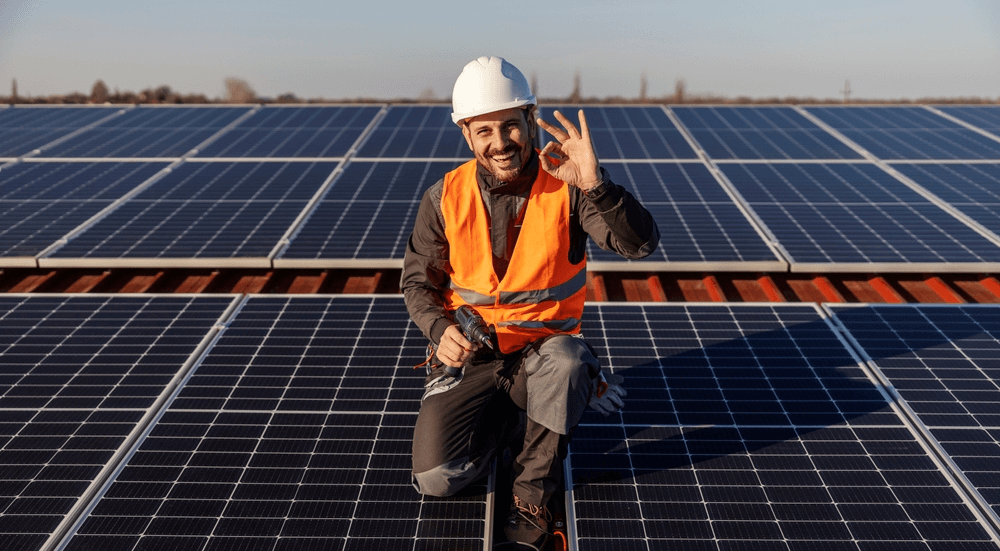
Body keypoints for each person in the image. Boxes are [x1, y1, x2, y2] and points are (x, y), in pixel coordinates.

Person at [402, 55, 659, 549]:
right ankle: (515, 423)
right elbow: (418, 285)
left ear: (529, 120)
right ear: (465, 134)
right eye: (484, 131)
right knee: (438, 479)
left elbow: (639, 245)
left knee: (565, 364)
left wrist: (597, 185)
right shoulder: (443, 197)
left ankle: (533, 492)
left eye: (510, 126)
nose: (500, 143)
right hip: (474, 361)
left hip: (543, 357)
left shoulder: (570, 187)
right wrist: (441, 331)